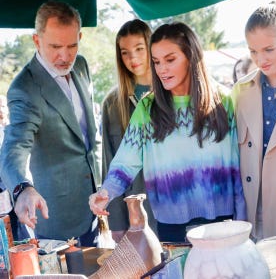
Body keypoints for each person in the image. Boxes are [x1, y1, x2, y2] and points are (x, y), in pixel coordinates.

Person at [89, 22, 246, 242]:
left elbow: (238, 167)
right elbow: (125, 161)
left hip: (223, 224)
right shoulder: (147, 108)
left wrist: (243, 219)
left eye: (170, 60)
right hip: (172, 228)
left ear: (191, 57)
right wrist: (105, 192)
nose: (161, 69)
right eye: (156, 62)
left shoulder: (225, 101)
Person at [0, 0, 102, 246]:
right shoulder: (24, 88)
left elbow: (87, 137)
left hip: (95, 206)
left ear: (80, 36)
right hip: (56, 217)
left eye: (72, 45)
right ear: (37, 41)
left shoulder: (82, 65)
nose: (65, 56)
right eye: (55, 46)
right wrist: (22, 188)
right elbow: (14, 147)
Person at [232, 1, 276, 241]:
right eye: (253, 51)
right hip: (250, 222)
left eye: (269, 49)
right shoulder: (240, 92)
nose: (260, 59)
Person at [101, 19, 157, 242]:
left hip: (172, 205)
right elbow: (108, 162)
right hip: (136, 212)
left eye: (139, 49)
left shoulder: (172, 91)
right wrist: (116, 223)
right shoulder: (112, 103)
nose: (132, 58)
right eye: (125, 52)